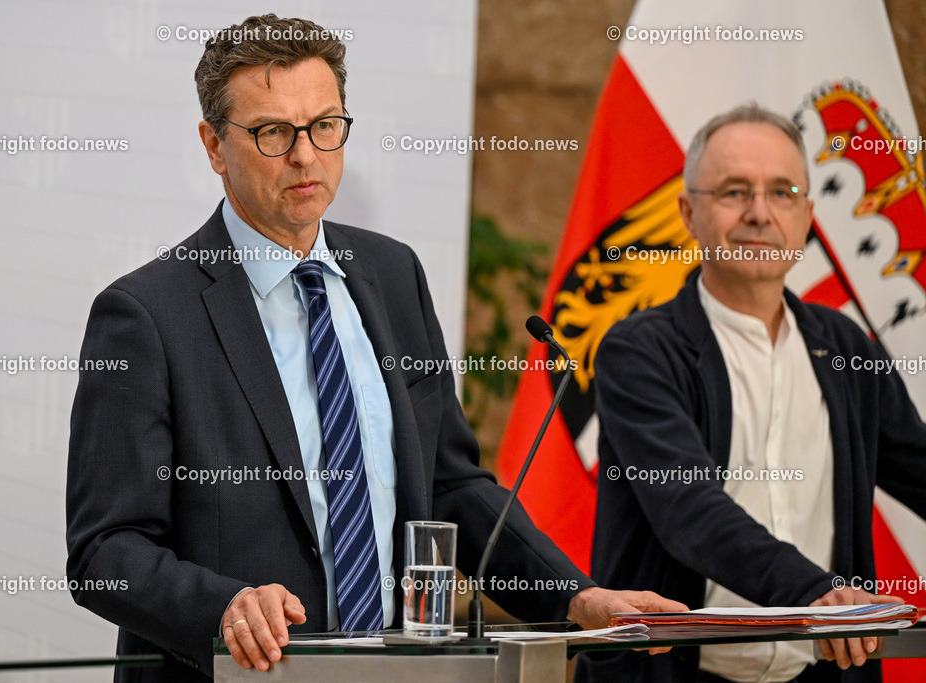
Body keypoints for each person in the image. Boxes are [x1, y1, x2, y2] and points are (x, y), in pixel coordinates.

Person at [65, 14, 684, 682]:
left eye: (325, 125)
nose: (306, 155)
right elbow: (104, 551)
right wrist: (226, 607)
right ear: (214, 145)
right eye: (273, 132)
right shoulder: (147, 314)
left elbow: (451, 486)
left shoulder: (392, 276)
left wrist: (575, 594)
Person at [575, 102, 926, 683]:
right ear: (689, 211)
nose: (761, 214)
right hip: (673, 676)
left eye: (783, 192)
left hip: (824, 673)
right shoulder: (638, 351)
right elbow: (691, 510)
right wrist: (816, 592)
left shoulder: (845, 347)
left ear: (809, 215)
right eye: (735, 191)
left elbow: (916, 463)